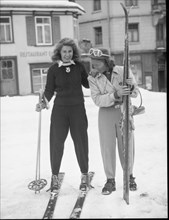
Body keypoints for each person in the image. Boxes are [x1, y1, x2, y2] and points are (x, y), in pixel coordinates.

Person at [36, 38, 90, 192]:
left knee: (81, 142)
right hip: (59, 111)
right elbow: (49, 90)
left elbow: (87, 84)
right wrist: (43, 102)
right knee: (56, 143)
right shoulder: (53, 69)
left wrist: (96, 74)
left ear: (74, 52)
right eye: (64, 51)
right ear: (59, 52)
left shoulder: (79, 67)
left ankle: (84, 175)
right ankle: (54, 176)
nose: (67, 54)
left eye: (70, 51)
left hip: (77, 109)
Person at [88, 48, 138, 195]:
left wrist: (131, 86)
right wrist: (115, 94)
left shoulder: (123, 71)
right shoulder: (92, 78)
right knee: (107, 147)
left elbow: (135, 93)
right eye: (92, 63)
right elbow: (97, 99)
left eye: (97, 63)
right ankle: (110, 180)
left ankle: (129, 177)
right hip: (106, 114)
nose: (94, 66)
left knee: (127, 145)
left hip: (124, 110)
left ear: (106, 62)